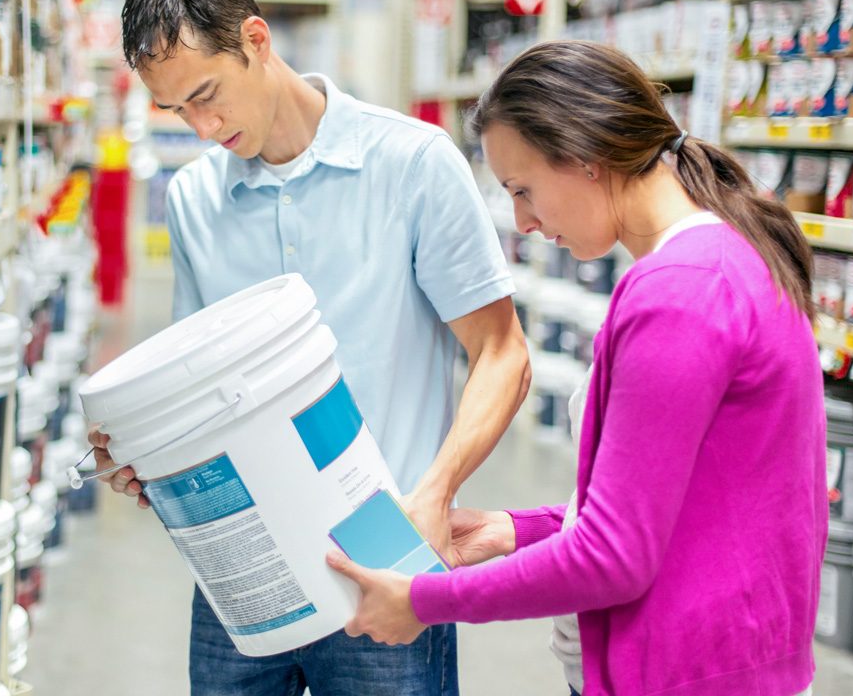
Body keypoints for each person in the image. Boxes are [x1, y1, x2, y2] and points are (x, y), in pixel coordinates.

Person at [88, 0, 531, 695]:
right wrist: (150, 458)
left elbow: (503, 355)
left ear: (256, 40)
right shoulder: (196, 199)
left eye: (207, 95)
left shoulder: (412, 164)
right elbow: (199, 395)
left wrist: (434, 494)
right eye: (177, 111)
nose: (201, 127)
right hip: (243, 566)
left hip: (383, 547)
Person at [327, 40, 826, 696]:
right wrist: (516, 530)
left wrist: (424, 600)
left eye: (522, 189)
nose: (523, 221)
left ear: (584, 155)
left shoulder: (679, 292)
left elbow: (613, 558)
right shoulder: (728, 256)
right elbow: (674, 502)